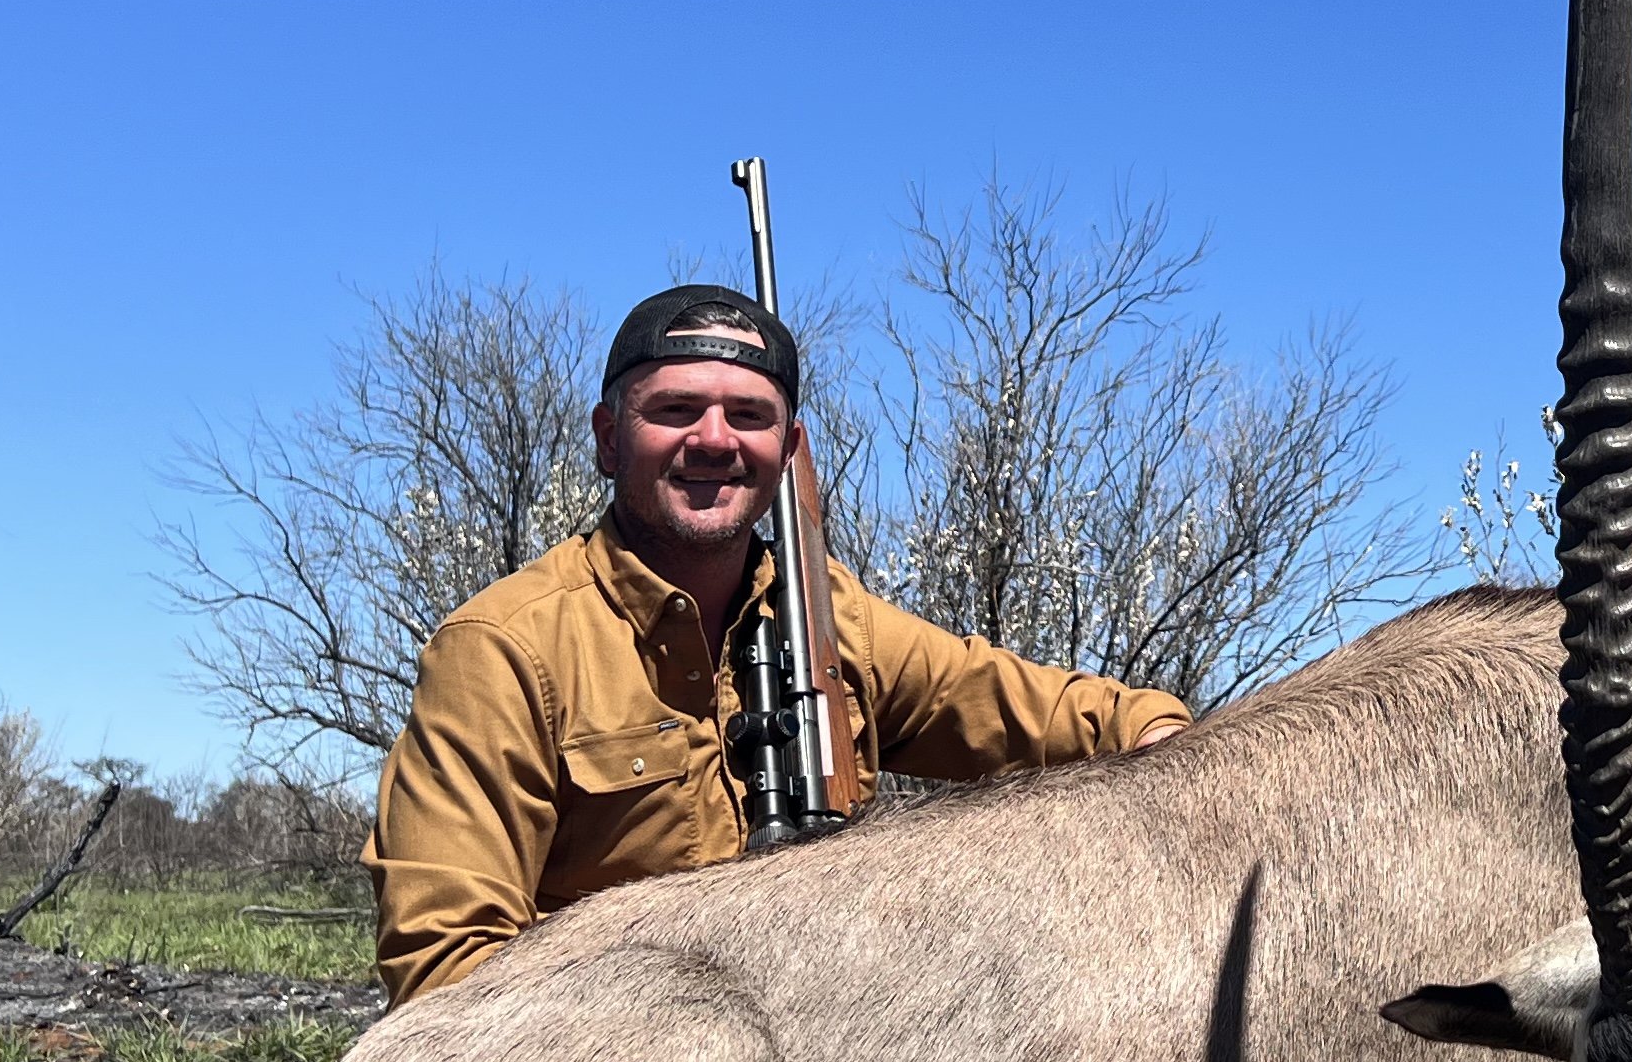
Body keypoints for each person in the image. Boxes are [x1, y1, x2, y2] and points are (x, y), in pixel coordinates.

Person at [366, 284, 1189, 1002]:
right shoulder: (503, 649)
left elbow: (1072, 716)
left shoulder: (837, 620)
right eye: (676, 410)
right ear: (610, 438)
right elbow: (446, 974)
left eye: (751, 416)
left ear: (788, 451)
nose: (716, 440)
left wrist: (1172, 745)